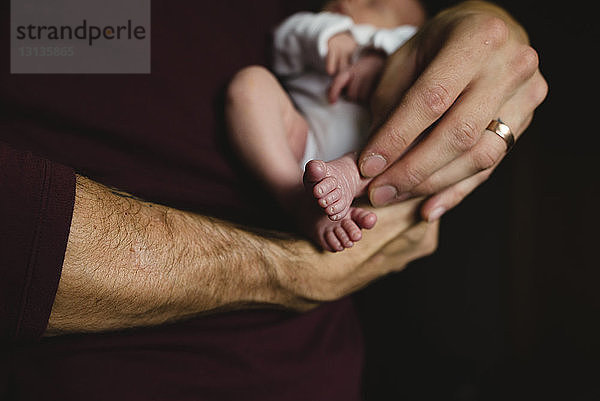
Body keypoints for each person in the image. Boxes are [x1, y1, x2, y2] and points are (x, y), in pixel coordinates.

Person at [0, 1, 547, 399]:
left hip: (317, 338)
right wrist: (285, 269)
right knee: (250, 88)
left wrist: (487, 44)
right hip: (137, 362)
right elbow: (43, 37)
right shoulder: (60, 29)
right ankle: (304, 195)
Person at [227, 0, 426, 252]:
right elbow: (284, 41)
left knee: (420, 133)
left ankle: (349, 179)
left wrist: (381, 60)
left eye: (374, 4)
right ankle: (293, 195)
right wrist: (330, 35)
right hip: (301, 142)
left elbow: (417, 50)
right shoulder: (321, 28)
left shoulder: (401, 42)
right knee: (251, 85)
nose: (350, 2)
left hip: (369, 161)